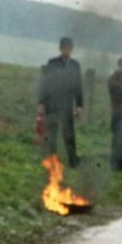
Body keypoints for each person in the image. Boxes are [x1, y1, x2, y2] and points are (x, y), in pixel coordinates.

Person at [38, 37, 83, 167]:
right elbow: (46, 83)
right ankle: (52, 158)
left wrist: (79, 104)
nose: (66, 51)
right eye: (64, 48)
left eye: (69, 48)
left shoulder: (75, 65)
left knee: (69, 133)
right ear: (60, 49)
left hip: (67, 103)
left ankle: (73, 160)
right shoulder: (52, 63)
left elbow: (78, 86)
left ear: (72, 49)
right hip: (52, 102)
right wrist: (42, 101)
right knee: (52, 132)